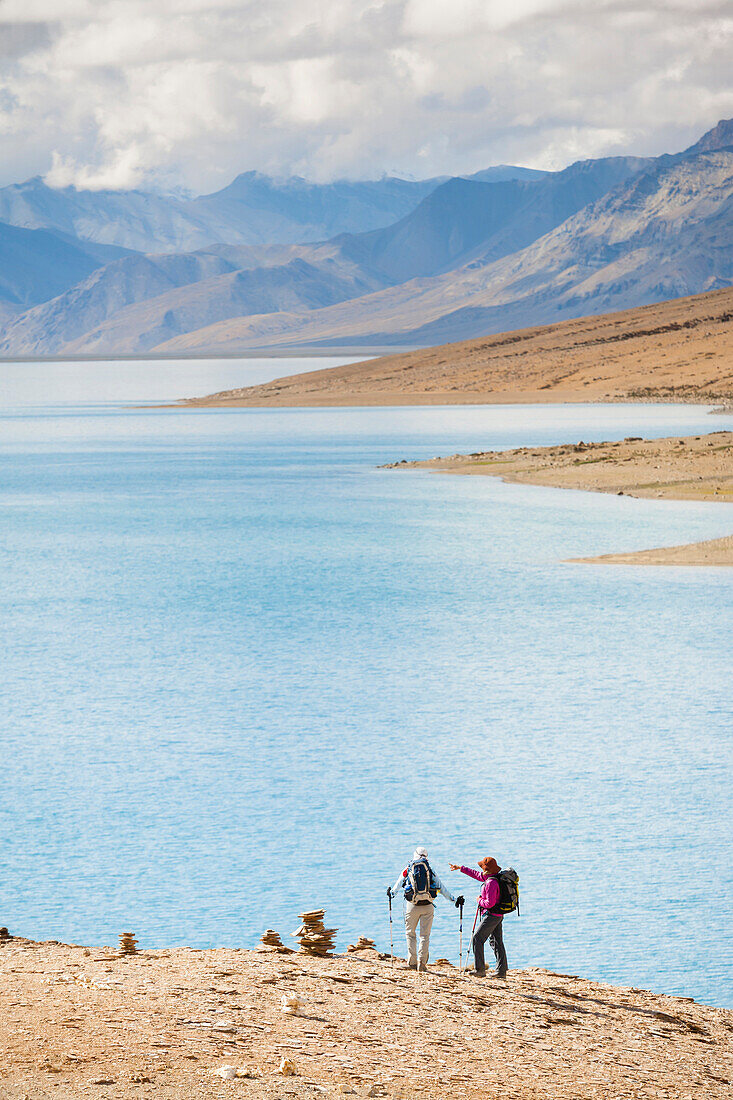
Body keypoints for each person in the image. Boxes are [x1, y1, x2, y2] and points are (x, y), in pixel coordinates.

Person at [388, 846, 464, 971]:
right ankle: (422, 964)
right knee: (425, 936)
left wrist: (391, 893)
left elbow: (398, 884)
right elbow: (440, 887)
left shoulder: (408, 868)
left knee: (410, 934)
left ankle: (411, 963)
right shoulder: (429, 869)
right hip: (428, 905)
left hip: (412, 905)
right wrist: (454, 900)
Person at [450, 856, 507, 978]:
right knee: (497, 941)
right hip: (498, 915)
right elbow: (476, 874)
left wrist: (479, 900)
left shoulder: (491, 882)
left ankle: (480, 970)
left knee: (477, 939)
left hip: (491, 916)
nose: (481, 870)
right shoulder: (492, 877)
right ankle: (501, 972)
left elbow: (489, 903)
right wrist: (460, 868)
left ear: (487, 869)